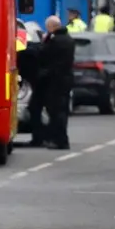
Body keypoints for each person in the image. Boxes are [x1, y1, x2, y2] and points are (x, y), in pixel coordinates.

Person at [37, 13, 75, 150]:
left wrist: (45, 40)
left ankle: (59, 140)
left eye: (48, 28)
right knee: (62, 111)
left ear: (52, 27)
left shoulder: (55, 41)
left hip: (56, 81)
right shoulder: (68, 39)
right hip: (66, 80)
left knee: (55, 111)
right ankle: (61, 139)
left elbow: (44, 54)